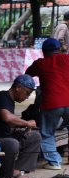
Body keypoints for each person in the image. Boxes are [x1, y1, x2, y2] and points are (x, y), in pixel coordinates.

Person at [0, 75, 42, 178]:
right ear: (18, 87)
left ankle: (16, 172)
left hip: (2, 136)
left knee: (35, 137)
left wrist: (16, 130)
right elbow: (7, 118)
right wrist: (26, 123)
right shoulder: (1, 97)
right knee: (11, 143)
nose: (28, 97)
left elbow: (2, 125)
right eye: (27, 93)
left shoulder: (10, 101)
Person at [26, 37, 69, 169]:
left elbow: (27, 75)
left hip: (51, 104)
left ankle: (55, 163)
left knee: (47, 133)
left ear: (43, 51)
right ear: (58, 49)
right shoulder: (67, 58)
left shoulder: (41, 63)